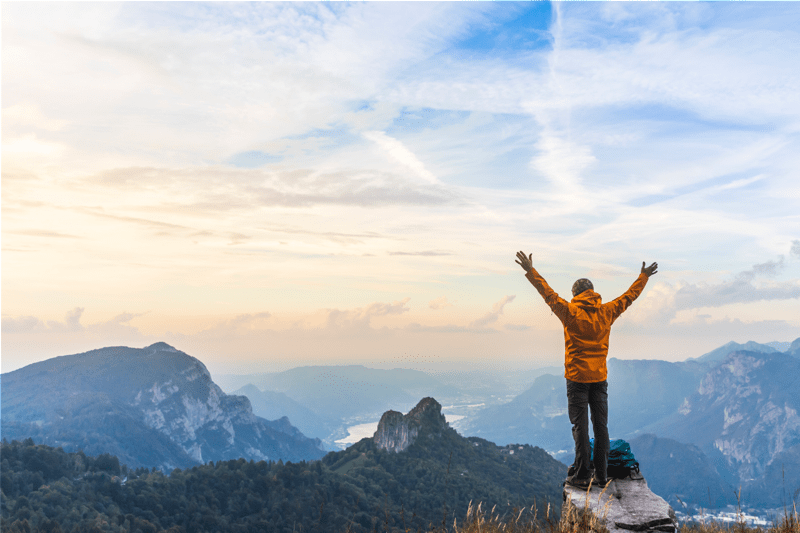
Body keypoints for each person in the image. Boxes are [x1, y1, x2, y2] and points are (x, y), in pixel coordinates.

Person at [514, 251, 658, 490]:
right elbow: (628, 297)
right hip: (599, 379)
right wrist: (643, 277)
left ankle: (582, 475)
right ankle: (601, 476)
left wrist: (530, 270)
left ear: (575, 295)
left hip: (577, 379)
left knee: (580, 426)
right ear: (592, 293)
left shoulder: (569, 311)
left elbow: (547, 293)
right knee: (601, 426)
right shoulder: (606, 311)